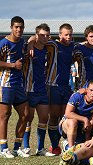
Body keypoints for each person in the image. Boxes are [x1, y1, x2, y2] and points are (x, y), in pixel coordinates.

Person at [22, 23, 55, 156]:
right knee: (28, 118)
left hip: (42, 89)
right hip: (29, 89)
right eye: (42, 35)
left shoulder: (50, 48)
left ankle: (40, 148)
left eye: (47, 35)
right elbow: (29, 39)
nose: (45, 37)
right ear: (36, 35)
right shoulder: (27, 48)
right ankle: (26, 147)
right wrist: (30, 42)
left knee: (43, 118)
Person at [0, 16, 29, 158]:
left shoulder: (23, 42)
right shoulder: (3, 43)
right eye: (16, 27)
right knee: (5, 115)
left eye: (21, 27)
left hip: (19, 84)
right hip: (5, 84)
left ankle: (17, 147)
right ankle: (3, 148)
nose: (19, 29)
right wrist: (13, 65)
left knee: (25, 115)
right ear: (11, 27)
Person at [46, 23, 75, 155]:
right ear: (60, 35)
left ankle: (64, 143)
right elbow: (35, 40)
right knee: (54, 116)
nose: (68, 37)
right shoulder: (53, 45)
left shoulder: (74, 47)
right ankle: (54, 146)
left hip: (67, 86)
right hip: (53, 85)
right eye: (66, 35)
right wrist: (30, 42)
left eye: (70, 34)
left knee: (66, 116)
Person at [59, 80, 93, 150]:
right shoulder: (77, 96)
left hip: (83, 127)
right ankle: (70, 150)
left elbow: (92, 119)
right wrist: (85, 119)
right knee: (73, 122)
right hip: (67, 124)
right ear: (86, 90)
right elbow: (68, 113)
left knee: (84, 145)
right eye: (91, 90)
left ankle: (68, 144)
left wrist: (86, 139)